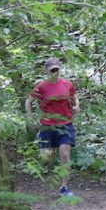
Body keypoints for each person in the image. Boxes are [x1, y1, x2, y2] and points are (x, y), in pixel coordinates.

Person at [25, 56, 79, 197]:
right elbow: (28, 101)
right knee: (47, 157)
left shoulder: (67, 84)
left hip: (65, 124)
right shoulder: (42, 86)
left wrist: (77, 106)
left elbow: (74, 98)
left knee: (65, 154)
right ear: (47, 71)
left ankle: (64, 187)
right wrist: (30, 116)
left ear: (60, 69)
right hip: (48, 125)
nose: (55, 72)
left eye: (57, 69)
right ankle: (44, 143)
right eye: (52, 70)